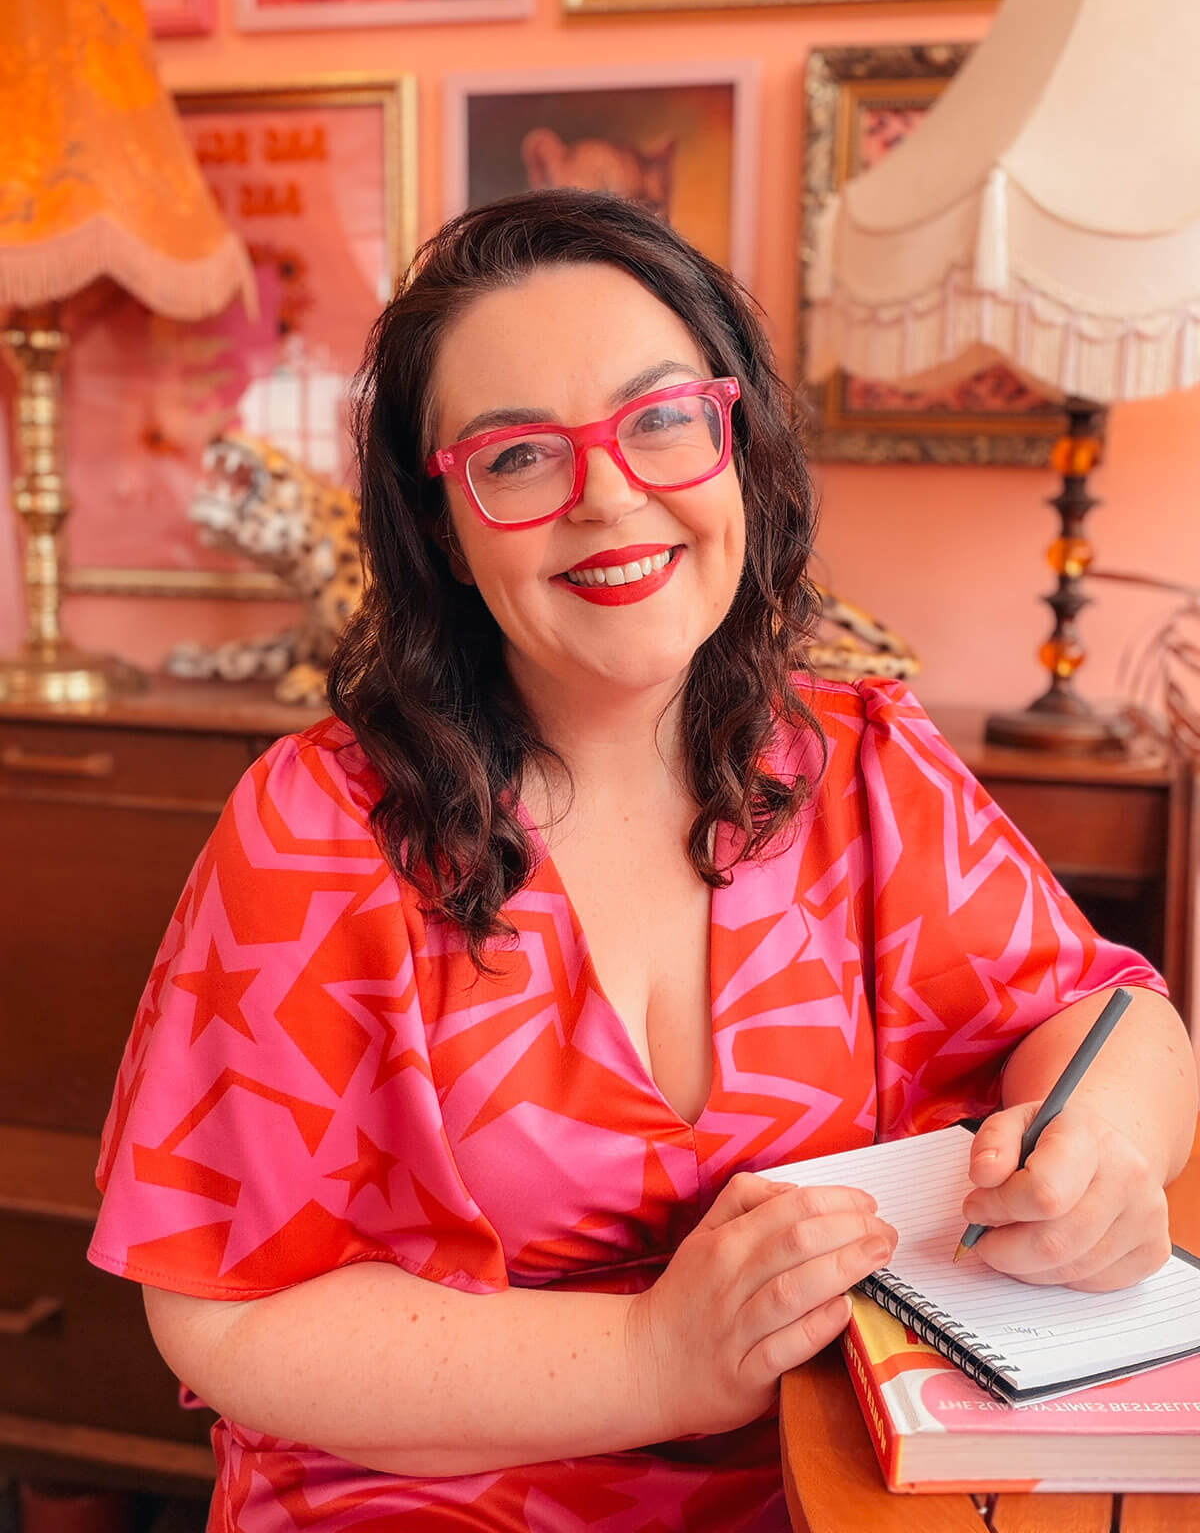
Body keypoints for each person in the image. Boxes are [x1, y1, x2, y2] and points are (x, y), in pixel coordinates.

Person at [88, 190, 1198, 1531]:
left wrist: (1104, 1166)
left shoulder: (864, 765)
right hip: (428, 1495)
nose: (609, 494)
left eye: (661, 419)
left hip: (835, 1474)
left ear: (736, 445)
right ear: (442, 524)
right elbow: (225, 1314)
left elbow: (1107, 1010)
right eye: (515, 455)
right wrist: (655, 1362)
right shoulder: (315, 832)